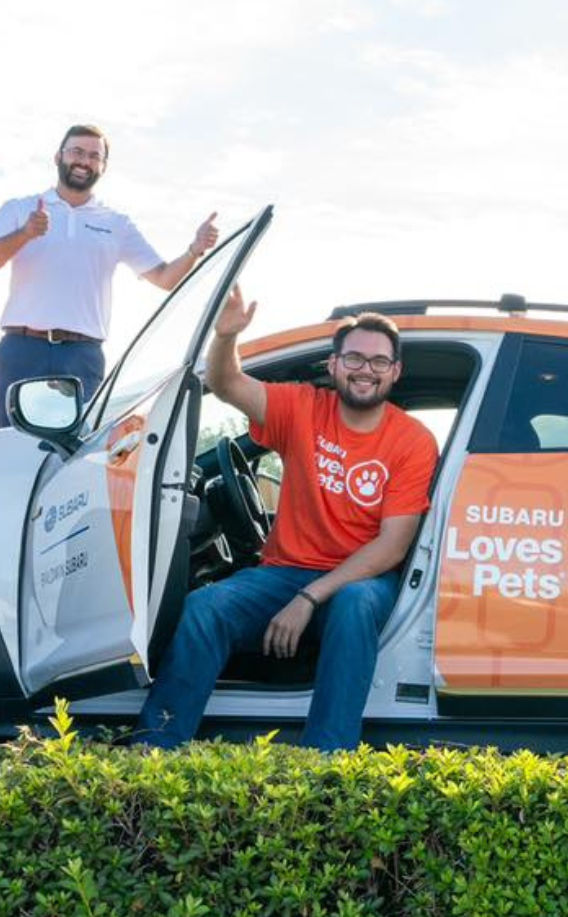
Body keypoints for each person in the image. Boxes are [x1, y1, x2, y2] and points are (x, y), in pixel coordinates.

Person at [131, 290, 437, 750]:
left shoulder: (413, 440)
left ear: (395, 372)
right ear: (334, 365)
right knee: (203, 608)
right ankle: (155, 747)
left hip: (362, 577)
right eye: (354, 357)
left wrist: (308, 599)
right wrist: (226, 335)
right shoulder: (302, 408)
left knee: (354, 604)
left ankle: (327, 761)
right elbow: (227, 381)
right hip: (284, 572)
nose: (365, 370)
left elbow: (392, 547)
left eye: (378, 362)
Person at [0, 123, 219, 426]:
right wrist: (25, 233)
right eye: (76, 151)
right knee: (10, 446)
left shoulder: (116, 224)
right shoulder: (20, 209)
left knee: (72, 456)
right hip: (23, 349)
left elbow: (165, 278)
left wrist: (194, 249)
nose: (83, 161)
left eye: (93, 156)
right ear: (58, 157)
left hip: (81, 356)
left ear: (102, 166)